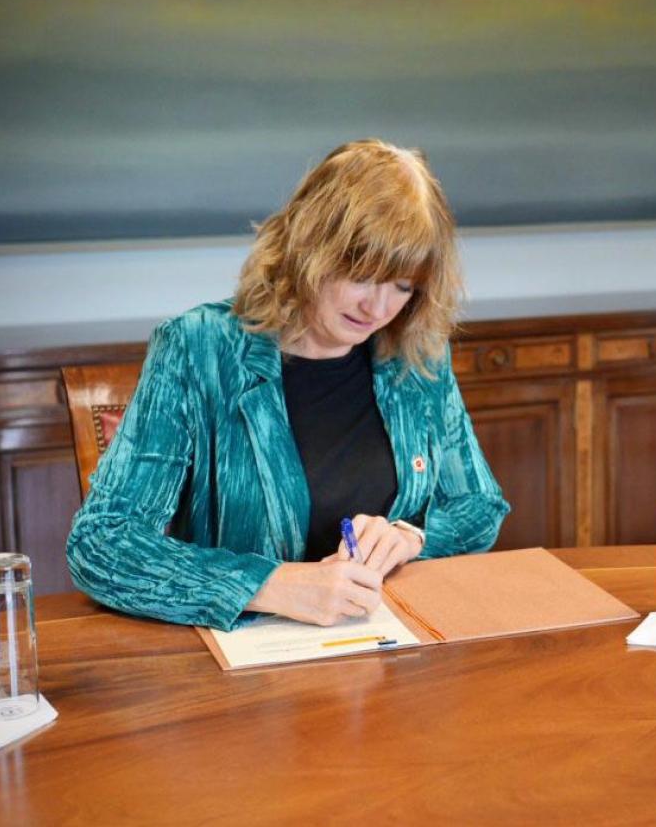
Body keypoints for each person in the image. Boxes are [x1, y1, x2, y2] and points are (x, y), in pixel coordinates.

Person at [68, 140, 511, 631]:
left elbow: (479, 506)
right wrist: (272, 585)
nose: (379, 308)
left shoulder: (412, 355)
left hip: (389, 653)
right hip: (251, 675)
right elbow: (102, 543)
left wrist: (413, 537)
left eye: (403, 286)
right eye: (363, 275)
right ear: (309, 247)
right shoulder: (200, 349)